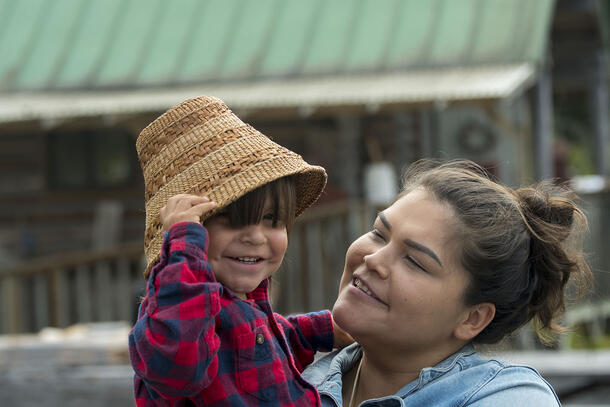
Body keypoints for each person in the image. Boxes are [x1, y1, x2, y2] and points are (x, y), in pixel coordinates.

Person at [302, 159, 591, 407]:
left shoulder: (508, 398)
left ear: (472, 318)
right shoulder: (291, 373)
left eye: (414, 261)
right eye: (379, 233)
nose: (374, 259)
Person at [129, 95, 351, 406]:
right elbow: (179, 367)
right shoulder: (175, 309)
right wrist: (183, 246)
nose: (256, 236)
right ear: (191, 235)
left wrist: (322, 329)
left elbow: (263, 347)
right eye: (233, 222)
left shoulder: (243, 303)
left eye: (271, 220)